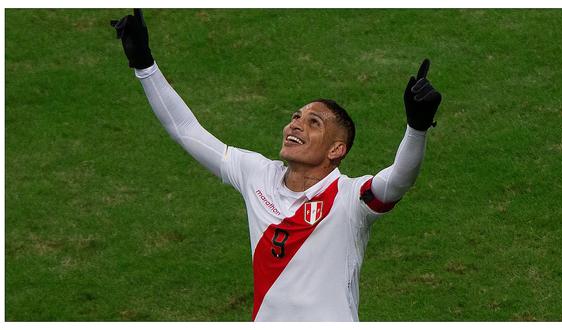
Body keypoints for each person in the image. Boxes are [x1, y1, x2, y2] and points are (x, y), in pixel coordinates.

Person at [111, 9, 442, 321]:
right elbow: (186, 130)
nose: (295, 125)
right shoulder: (257, 175)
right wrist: (145, 65)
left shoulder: (350, 199)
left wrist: (416, 127)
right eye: (295, 117)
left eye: (314, 123)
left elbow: (399, 180)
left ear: (336, 150)